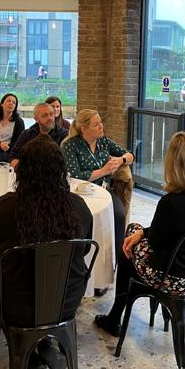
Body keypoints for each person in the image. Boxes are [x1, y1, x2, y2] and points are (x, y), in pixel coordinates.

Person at [0, 136, 93, 369]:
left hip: (17, 305)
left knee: (1, 284)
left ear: (22, 170)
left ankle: (28, 357)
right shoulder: (79, 207)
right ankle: (44, 345)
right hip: (66, 301)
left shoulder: (6, 207)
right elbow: (82, 252)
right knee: (40, 284)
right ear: (61, 170)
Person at [94, 132, 185, 336]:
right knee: (134, 234)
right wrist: (142, 233)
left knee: (126, 247)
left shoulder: (171, 202)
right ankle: (117, 315)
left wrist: (139, 235)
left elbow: (155, 244)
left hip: (175, 278)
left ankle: (114, 317)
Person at [61, 109, 133, 262]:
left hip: (104, 190)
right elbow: (75, 176)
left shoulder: (103, 141)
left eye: (100, 123)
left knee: (119, 215)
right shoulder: (70, 145)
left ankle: (117, 257)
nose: (101, 127)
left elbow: (129, 154)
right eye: (96, 124)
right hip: (80, 192)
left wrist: (121, 160)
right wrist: (103, 171)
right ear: (84, 129)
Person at [8, 102, 67, 167]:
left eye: (51, 114)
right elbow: (13, 156)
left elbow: (63, 162)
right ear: (36, 119)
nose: (50, 118)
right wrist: (20, 169)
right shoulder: (27, 134)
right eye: (45, 115)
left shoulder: (63, 135)